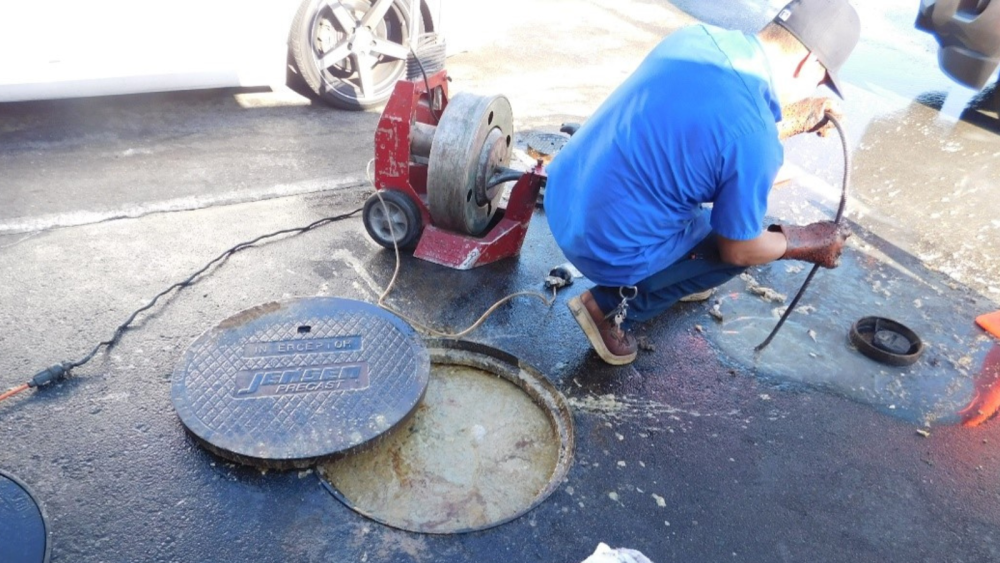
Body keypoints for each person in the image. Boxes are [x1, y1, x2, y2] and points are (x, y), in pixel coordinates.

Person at [544, 0, 861, 365]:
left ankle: (673, 273)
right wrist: (807, 241)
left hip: (564, 194)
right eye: (820, 80)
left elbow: (717, 132)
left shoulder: (697, 39)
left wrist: (795, 118)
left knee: (709, 193)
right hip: (602, 245)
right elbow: (738, 249)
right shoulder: (755, 141)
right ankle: (607, 309)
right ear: (809, 63)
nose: (812, 90)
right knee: (744, 243)